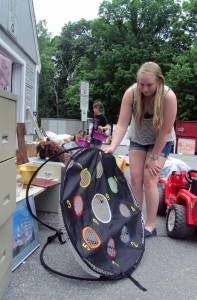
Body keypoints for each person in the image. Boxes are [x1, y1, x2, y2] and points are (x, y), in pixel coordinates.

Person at [104, 62, 177, 237]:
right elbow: (122, 124)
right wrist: (112, 147)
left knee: (149, 179)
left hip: (161, 140)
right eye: (141, 84)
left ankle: (151, 225)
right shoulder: (131, 93)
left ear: (159, 81)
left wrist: (154, 156)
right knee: (136, 179)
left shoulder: (168, 96)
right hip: (138, 138)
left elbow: (166, 131)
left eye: (149, 85)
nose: (144, 88)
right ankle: (137, 219)